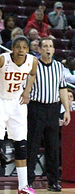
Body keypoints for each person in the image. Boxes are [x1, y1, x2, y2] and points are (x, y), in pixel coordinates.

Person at [27, 37, 71, 192]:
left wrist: (66, 110)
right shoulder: (33, 65)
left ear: (53, 49)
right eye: (44, 46)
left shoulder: (59, 67)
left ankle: (53, 181)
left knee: (53, 147)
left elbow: (63, 89)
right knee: (32, 145)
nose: (47, 48)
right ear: (39, 49)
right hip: (36, 107)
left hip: (53, 109)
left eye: (50, 46)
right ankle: (28, 181)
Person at [0, 35, 38, 194]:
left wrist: (27, 91)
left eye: (24, 47)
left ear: (28, 50)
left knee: (21, 144)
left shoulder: (32, 61)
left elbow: (33, 74)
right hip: (1, 100)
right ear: (12, 49)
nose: (21, 50)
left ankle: (23, 186)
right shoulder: (3, 59)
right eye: (18, 47)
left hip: (18, 103)